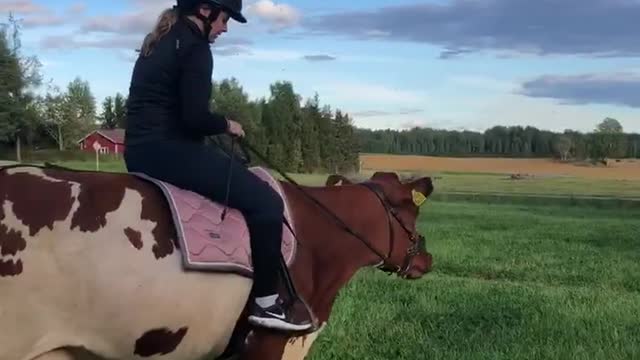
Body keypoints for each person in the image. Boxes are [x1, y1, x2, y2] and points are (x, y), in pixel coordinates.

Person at [123, 0, 313, 332]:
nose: (225, 28)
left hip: (139, 151)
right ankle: (266, 303)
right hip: (169, 152)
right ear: (205, 10)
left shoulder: (159, 41)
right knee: (267, 204)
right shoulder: (195, 48)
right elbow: (194, 118)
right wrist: (226, 124)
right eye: (225, 18)